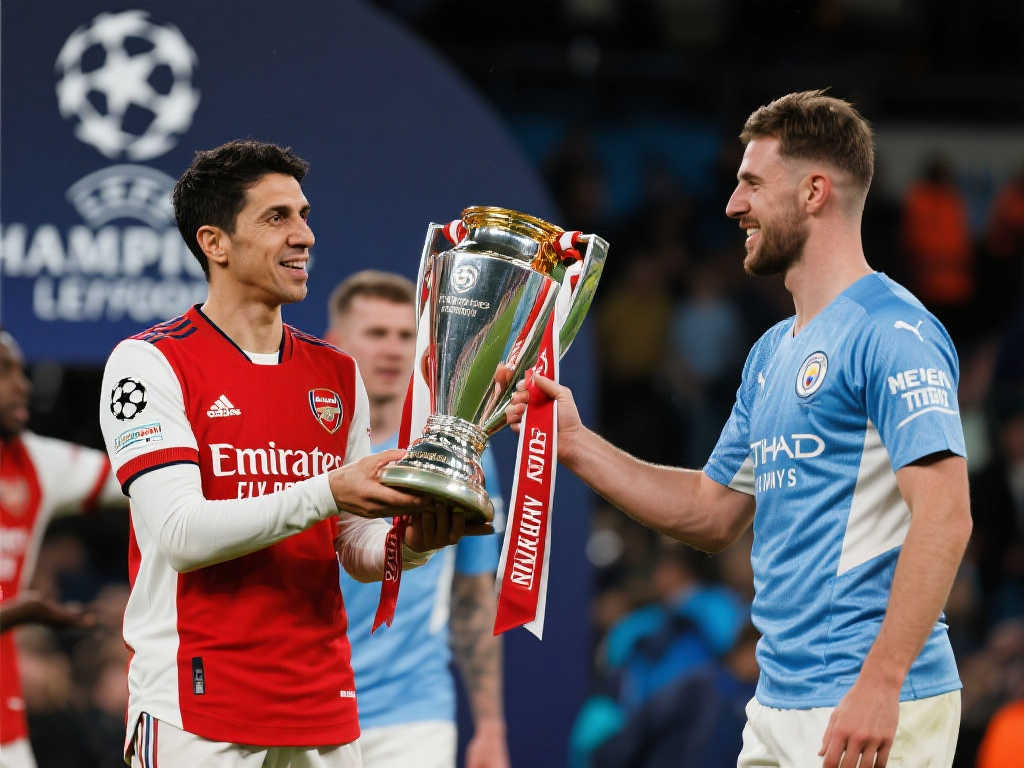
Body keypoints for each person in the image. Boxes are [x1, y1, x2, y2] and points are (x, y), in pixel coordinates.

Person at [507, 91, 972, 768]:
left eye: (752, 183)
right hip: (777, 702)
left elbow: (946, 516)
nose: (732, 205)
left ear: (814, 192)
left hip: (871, 701)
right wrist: (574, 443)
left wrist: (881, 682)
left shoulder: (893, 331)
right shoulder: (771, 353)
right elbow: (710, 512)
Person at [98, 140, 482, 768]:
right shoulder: (149, 363)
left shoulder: (337, 373)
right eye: (276, 218)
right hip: (197, 706)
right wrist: (329, 490)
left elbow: (352, 547)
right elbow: (180, 535)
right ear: (215, 243)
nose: (304, 235)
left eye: (303, 215)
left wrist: (411, 544)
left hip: (322, 705)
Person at [324, 271, 509, 768]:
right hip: (310, 703)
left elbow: (473, 594)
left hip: (414, 713)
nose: (392, 349)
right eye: (376, 333)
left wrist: (490, 726)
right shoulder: (303, 444)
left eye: (406, 335)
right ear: (336, 343)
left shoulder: (455, 454)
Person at [0, 328, 124, 768]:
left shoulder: (35, 462)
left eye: (21, 371)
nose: (23, 384)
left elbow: (139, 479)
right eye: (4, 371)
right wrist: (18, 613)